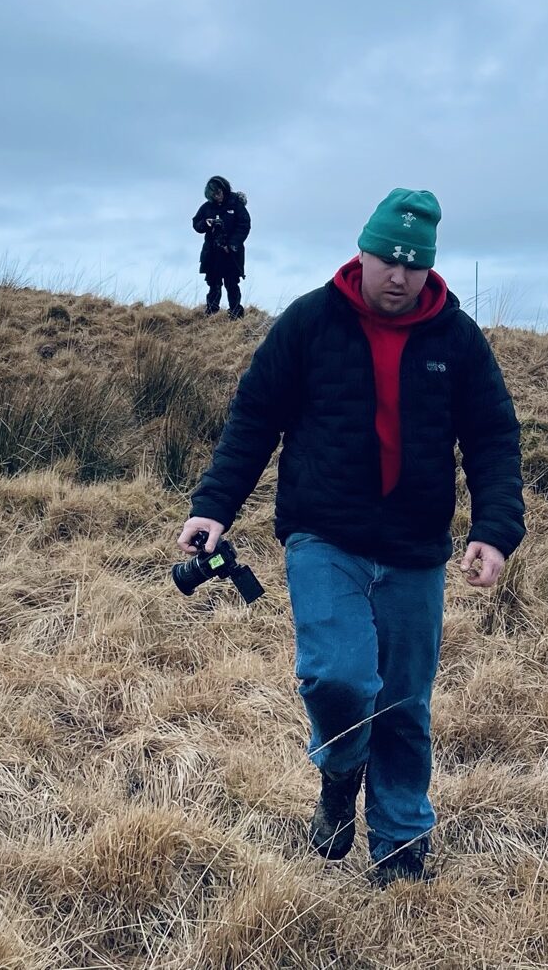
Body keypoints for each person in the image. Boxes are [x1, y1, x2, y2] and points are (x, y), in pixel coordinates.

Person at [177, 189, 525, 887]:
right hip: (324, 535)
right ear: (361, 252)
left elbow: (492, 436)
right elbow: (254, 417)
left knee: (402, 701)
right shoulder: (310, 321)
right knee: (337, 674)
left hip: (416, 548)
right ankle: (340, 772)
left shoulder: (456, 339)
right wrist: (215, 505)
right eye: (385, 259)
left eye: (413, 264)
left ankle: (399, 847)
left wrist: (495, 529)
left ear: (429, 267)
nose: (397, 276)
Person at [193, 176, 251, 318]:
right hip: (212, 253)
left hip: (231, 253)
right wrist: (206, 224)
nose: (217, 197)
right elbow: (196, 223)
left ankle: (235, 314)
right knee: (214, 284)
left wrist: (232, 244)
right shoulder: (207, 207)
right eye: (213, 195)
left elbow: (244, 225)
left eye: (218, 193)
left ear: (224, 189)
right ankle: (211, 313)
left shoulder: (236, 203)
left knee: (232, 284)